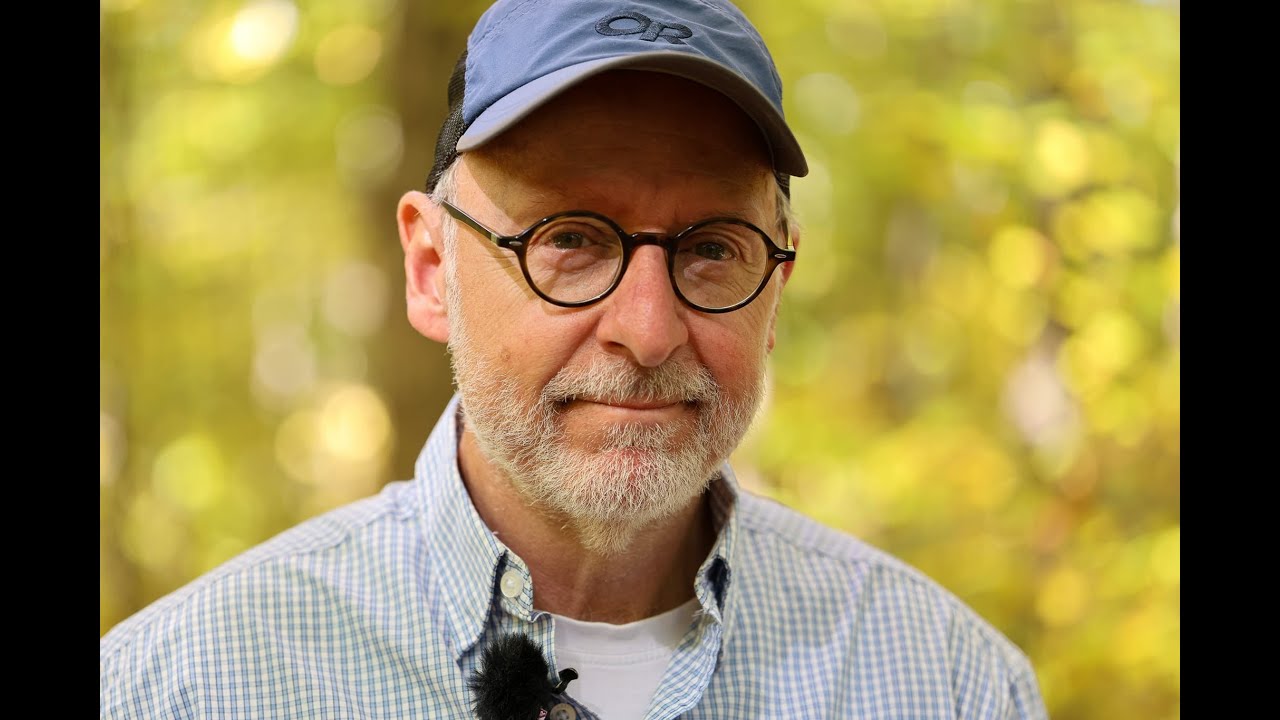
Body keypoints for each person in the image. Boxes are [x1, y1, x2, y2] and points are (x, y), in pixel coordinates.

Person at [100, 1, 1049, 718]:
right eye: (569, 239)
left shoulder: (951, 683)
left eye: (713, 249)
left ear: (777, 295)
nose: (647, 328)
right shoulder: (182, 685)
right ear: (433, 270)